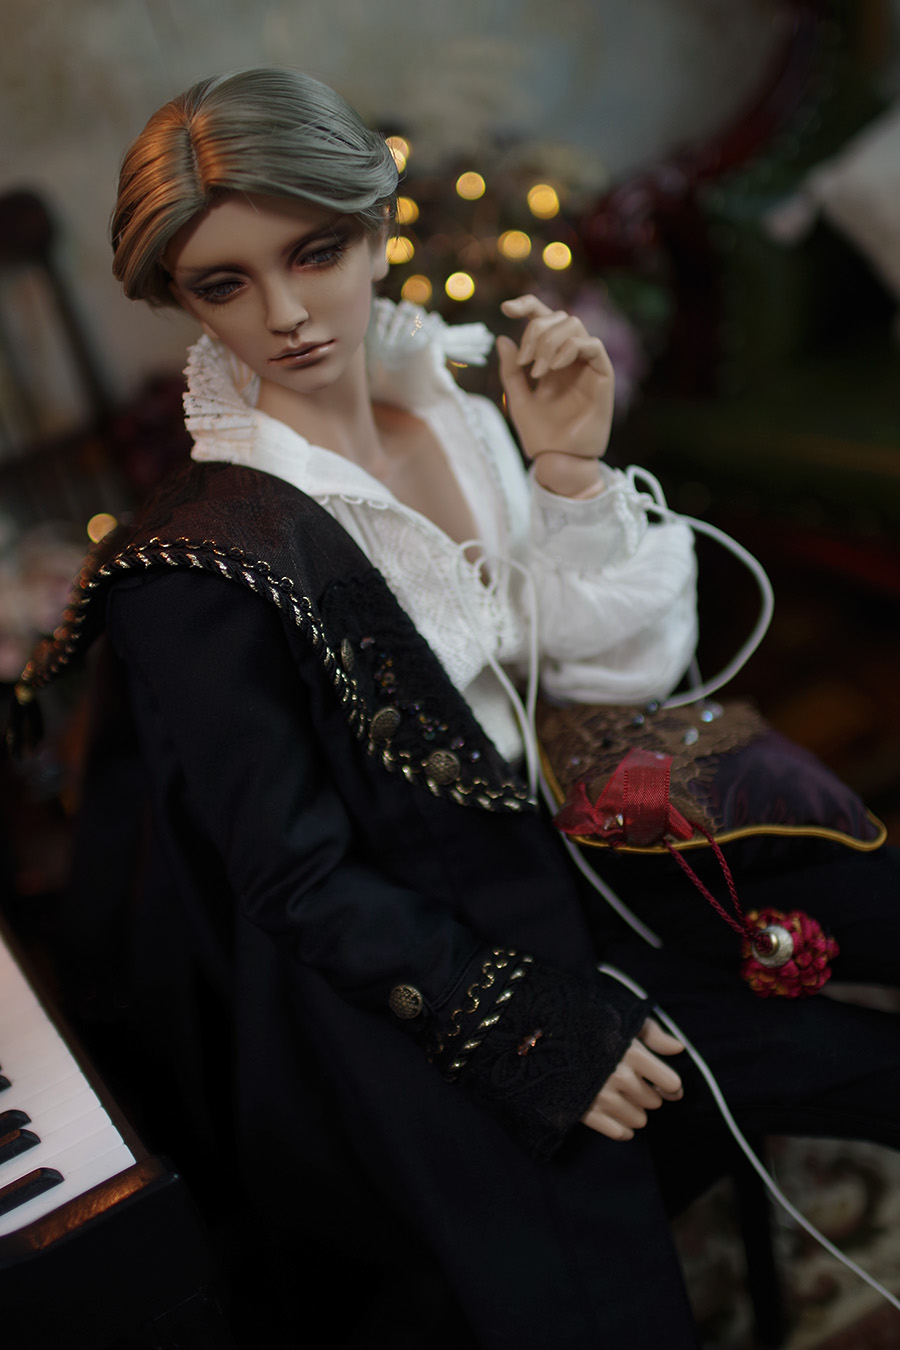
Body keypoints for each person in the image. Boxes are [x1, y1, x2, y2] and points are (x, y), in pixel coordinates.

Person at [13, 68, 900, 1348]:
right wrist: (532, 1029)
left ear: (376, 226)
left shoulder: (454, 402)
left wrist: (569, 470)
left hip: (581, 858)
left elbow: (609, 682)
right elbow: (299, 881)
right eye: (224, 284)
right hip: (428, 970)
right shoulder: (199, 567)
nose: (286, 315)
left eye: (315, 253)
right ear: (178, 298)